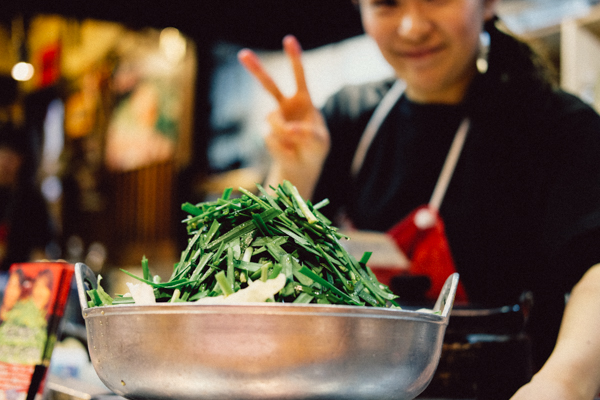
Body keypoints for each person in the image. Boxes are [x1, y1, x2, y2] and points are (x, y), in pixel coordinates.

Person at [237, 0, 600, 398]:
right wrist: (295, 173)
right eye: (386, 4)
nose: (411, 27)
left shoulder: (558, 127)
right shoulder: (346, 118)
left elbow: (594, 272)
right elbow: (261, 280)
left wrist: (563, 384)